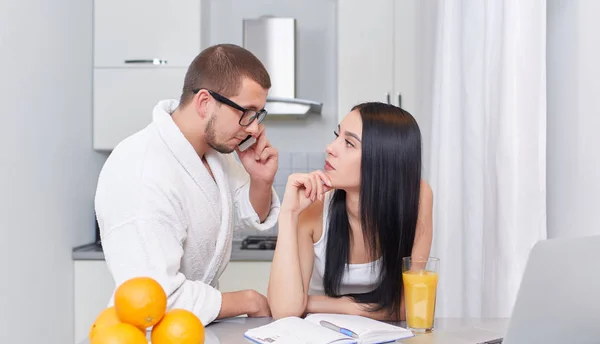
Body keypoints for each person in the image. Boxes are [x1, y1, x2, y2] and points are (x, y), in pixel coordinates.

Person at [95, 44, 280, 325]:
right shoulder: (141, 170)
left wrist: (261, 180)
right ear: (205, 103)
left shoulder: (213, 153)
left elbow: (246, 213)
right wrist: (248, 300)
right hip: (147, 341)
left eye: (258, 115)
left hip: (194, 330)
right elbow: (156, 299)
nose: (254, 129)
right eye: (247, 112)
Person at [267, 102, 433, 321]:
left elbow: (408, 306)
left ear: (382, 160)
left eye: (348, 143)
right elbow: (285, 311)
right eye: (337, 135)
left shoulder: (418, 196)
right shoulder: (314, 204)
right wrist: (288, 214)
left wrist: (314, 302)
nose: (330, 147)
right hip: (318, 335)